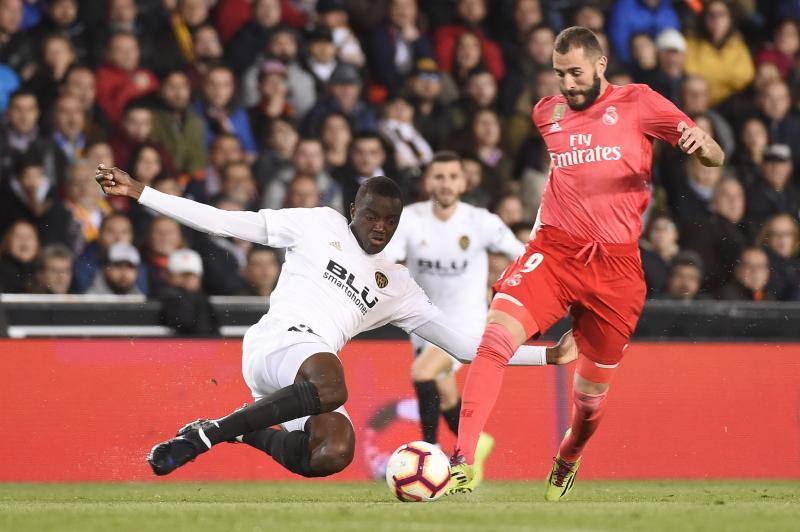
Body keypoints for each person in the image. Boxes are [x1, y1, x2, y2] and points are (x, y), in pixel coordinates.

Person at [95, 163, 577, 480]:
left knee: (331, 453)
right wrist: (144, 193)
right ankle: (207, 437)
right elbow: (226, 221)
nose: (380, 227)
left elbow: (469, 348)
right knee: (333, 383)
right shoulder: (317, 224)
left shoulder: (398, 285)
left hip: (303, 381)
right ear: (353, 210)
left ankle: (241, 431)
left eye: (390, 220)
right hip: (276, 346)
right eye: (372, 215)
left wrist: (549, 355)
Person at [446, 26, 724, 500]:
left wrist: (705, 147)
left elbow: (714, 155)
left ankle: (568, 458)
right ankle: (462, 461)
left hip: (616, 269)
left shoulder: (640, 102)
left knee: (589, 401)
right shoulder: (546, 113)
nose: (568, 84)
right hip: (554, 253)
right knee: (494, 340)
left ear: (600, 64)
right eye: (559, 75)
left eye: (576, 73)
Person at [383, 151, 528, 488]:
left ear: (464, 182)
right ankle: (478, 444)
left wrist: (509, 290)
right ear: (427, 182)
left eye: (452, 176)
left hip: (467, 322)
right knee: (445, 395)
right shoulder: (411, 218)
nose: (445, 183)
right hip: (422, 322)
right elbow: (388, 258)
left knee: (422, 373)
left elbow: (522, 254)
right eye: (438, 176)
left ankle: (430, 454)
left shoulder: (481, 221)